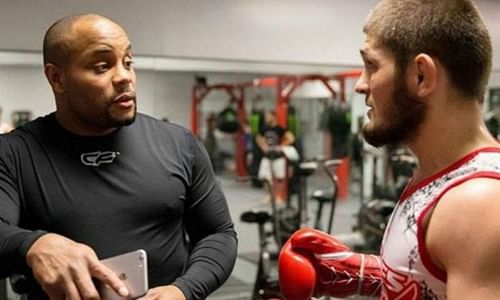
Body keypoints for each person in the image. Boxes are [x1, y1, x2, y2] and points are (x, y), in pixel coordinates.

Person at [0, 14, 237, 300]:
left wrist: (183, 290)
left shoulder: (179, 143)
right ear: (57, 78)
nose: (124, 76)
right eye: (102, 66)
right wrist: (31, 245)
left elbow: (219, 233)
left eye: (127, 62)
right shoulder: (14, 152)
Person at [279, 0, 500, 299]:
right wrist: (364, 273)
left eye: (371, 65)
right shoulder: (439, 175)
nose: (360, 84)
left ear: (421, 76)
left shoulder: (476, 205)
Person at [255, 110, 296, 203]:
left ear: (273, 117)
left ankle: (278, 196)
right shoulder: (264, 129)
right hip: (267, 156)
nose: (266, 119)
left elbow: (291, 138)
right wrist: (263, 146)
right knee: (265, 177)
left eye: (268, 116)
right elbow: (258, 137)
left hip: (278, 157)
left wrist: (281, 146)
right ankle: (268, 195)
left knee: (279, 178)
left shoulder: (280, 129)